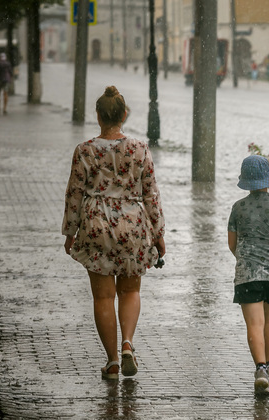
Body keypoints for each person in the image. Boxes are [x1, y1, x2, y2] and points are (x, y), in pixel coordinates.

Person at [62, 86, 166, 380]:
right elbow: (151, 195)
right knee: (130, 291)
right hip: (132, 225)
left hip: (96, 224)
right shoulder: (140, 149)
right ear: (124, 115)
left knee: (103, 298)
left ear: (98, 116)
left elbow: (74, 194)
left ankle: (112, 361)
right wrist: (159, 234)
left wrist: (70, 232)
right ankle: (128, 343)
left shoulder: (84, 151)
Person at [228, 155, 269, 396]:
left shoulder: (238, 207)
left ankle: (260, 368)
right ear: (268, 179)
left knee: (254, 324)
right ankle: (267, 366)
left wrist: (247, 257)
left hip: (248, 273)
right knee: (268, 321)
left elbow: (232, 244)